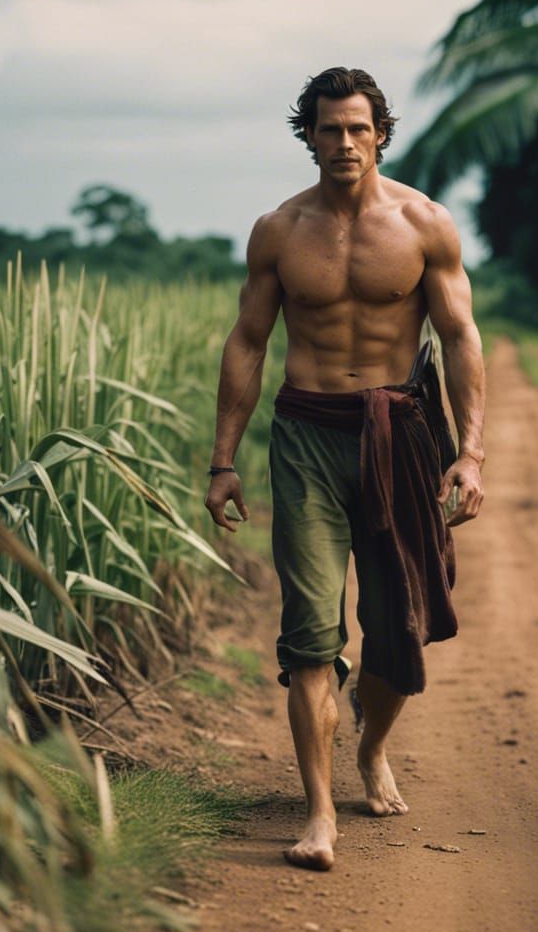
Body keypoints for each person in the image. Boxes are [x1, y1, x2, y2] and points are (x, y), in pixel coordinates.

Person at [205, 67, 485, 871]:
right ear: (309, 137)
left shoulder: (424, 224)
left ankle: (370, 747)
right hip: (306, 438)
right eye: (329, 129)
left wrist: (470, 450)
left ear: (381, 134)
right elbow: (249, 342)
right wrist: (224, 460)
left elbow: (461, 337)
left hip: (398, 432)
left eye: (358, 129)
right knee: (309, 635)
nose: (344, 143)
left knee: (400, 630)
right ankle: (319, 813)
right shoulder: (279, 231)